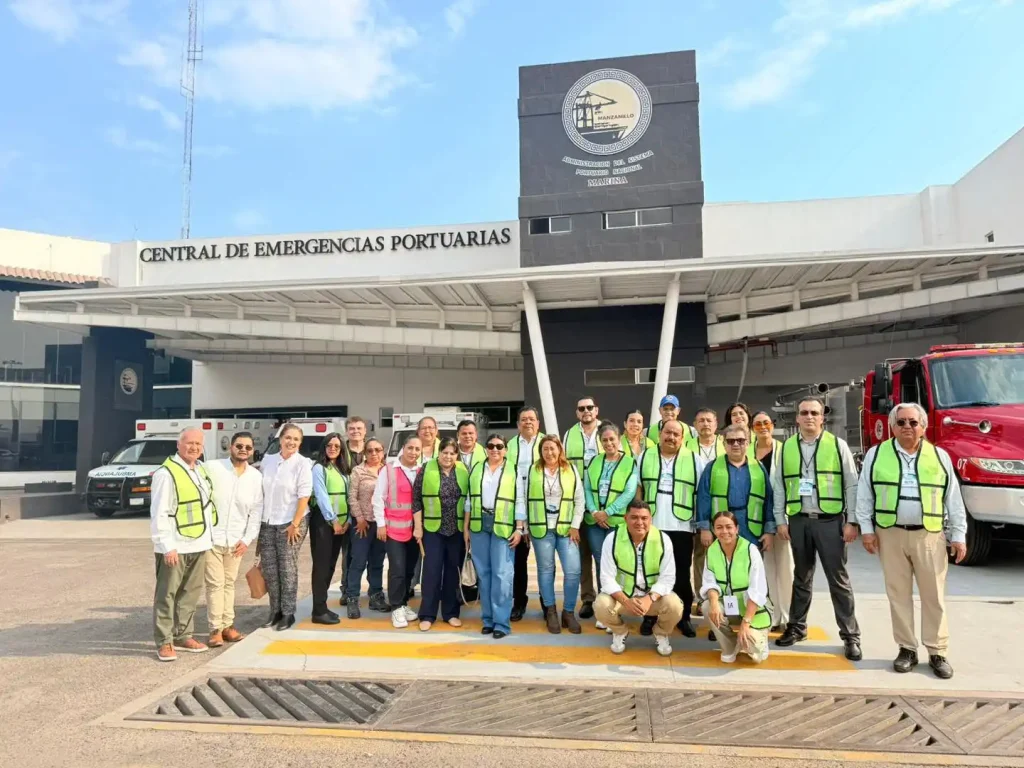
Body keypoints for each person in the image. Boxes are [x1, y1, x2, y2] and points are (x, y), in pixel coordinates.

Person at [855, 403, 967, 679]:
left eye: (913, 423)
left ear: (923, 426)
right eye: (901, 422)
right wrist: (866, 529)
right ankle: (906, 649)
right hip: (890, 534)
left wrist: (958, 535)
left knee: (934, 596)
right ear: (892, 426)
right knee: (898, 594)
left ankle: (937, 651)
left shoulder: (939, 456)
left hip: (929, 535)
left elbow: (953, 498)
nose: (907, 427)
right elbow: (865, 493)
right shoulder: (876, 454)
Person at [773, 396, 863, 660]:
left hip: (830, 521)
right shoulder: (787, 447)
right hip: (799, 521)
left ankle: (850, 636)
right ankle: (797, 627)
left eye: (814, 412)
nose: (809, 417)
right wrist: (780, 519)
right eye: (804, 412)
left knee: (838, 581)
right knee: (801, 577)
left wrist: (852, 520)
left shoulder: (838, 446)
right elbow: (778, 485)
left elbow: (851, 484)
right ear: (797, 417)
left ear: (823, 417)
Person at [150, 427, 217, 661]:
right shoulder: (166, 474)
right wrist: (166, 545)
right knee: (167, 594)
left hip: (199, 543)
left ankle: (183, 635)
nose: (194, 448)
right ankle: (164, 641)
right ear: (178, 445)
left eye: (198, 444)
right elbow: (159, 512)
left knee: (190, 593)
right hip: (175, 546)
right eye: (189, 443)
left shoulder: (200, 470)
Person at [595, 500, 683, 656]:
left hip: (651, 599)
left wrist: (649, 599)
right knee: (600, 605)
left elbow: (668, 578)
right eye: (634, 517)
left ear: (650, 520)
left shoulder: (663, 540)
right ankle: (620, 631)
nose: (639, 522)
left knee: (675, 605)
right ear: (625, 518)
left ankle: (661, 633)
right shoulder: (612, 539)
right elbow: (606, 578)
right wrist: (626, 601)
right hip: (624, 598)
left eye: (644, 518)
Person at [638, 419, 700, 638]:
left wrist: (700, 525)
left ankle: (683, 618)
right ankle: (650, 615)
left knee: (682, 574)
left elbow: (701, 494)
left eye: (676, 434)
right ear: (659, 434)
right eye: (667, 432)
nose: (671, 437)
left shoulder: (694, 459)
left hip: (682, 526)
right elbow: (638, 490)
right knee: (651, 572)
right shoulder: (644, 456)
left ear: (682, 438)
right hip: (652, 526)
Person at [519, 435, 584, 634]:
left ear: (560, 449)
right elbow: (525, 498)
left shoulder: (571, 469)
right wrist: (526, 528)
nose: (549, 453)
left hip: (566, 529)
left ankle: (569, 612)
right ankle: (551, 611)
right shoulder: (532, 470)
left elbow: (579, 499)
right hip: (541, 529)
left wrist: (575, 525)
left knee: (573, 571)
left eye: (553, 448)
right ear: (541, 451)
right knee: (546, 571)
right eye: (545, 449)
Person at [204, 431, 263, 647]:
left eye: (248, 447)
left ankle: (228, 626)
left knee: (228, 584)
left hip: (236, 542)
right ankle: (215, 629)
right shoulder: (212, 468)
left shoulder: (255, 477)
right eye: (239, 446)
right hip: (211, 539)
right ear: (231, 447)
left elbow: (256, 511)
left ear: (252, 451)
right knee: (215, 584)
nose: (243, 450)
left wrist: (247, 540)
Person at [258, 422, 313, 632]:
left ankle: (288, 613)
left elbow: (304, 495)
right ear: (280, 438)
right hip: (267, 521)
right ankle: (275, 611)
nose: (291, 442)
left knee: (287, 567)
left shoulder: (302, 464)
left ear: (300, 443)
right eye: (288, 437)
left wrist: (295, 524)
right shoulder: (268, 460)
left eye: (296, 439)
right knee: (271, 569)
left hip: (292, 522)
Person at [584, 422, 639, 629]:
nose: (608, 443)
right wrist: (594, 512)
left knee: (618, 565)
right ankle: (604, 609)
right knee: (601, 565)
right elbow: (587, 489)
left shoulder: (629, 463)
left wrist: (608, 512)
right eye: (605, 440)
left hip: (616, 524)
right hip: (594, 523)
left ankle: (617, 607)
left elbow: (629, 492)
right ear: (600, 442)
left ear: (619, 439)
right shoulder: (595, 462)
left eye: (612, 439)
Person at [466, 433, 520, 639]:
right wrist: (466, 528)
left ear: (505, 449)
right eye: (491, 446)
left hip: (503, 526)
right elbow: (470, 500)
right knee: (484, 574)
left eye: (499, 446)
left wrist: (520, 528)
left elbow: (520, 499)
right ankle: (487, 619)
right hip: (480, 525)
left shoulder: (513, 469)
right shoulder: (478, 468)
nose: (495, 450)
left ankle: (501, 623)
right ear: (486, 448)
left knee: (502, 575)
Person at [701, 510, 772, 664]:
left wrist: (746, 623)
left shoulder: (750, 550)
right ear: (713, 530)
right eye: (719, 527)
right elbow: (709, 582)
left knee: (753, 651)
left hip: (753, 611)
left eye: (729, 527)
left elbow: (758, 590)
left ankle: (757, 640)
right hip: (730, 606)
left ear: (737, 529)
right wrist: (714, 603)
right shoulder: (712, 551)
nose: (724, 531)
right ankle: (730, 645)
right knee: (707, 606)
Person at [697, 423, 776, 556]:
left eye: (740, 440)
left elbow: (768, 500)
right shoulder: (712, 467)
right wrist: (704, 529)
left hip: (751, 529)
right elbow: (703, 498)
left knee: (751, 569)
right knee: (722, 570)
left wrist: (769, 531)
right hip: (721, 529)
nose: (735, 444)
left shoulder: (759, 467)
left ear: (747, 443)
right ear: (724, 444)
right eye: (730, 441)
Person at [414, 437, 467, 631]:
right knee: (431, 572)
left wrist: (467, 529)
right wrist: (417, 527)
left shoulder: (463, 470)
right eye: (445, 452)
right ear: (439, 452)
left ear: (457, 455)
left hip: (456, 530)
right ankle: (427, 614)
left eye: (452, 453)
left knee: (453, 572)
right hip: (432, 529)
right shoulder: (426, 469)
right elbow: (416, 499)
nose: (448, 456)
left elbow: (468, 501)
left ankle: (451, 613)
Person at [374, 434, 422, 628]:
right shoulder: (388, 470)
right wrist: (380, 524)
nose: (413, 452)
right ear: (403, 448)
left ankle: (402, 604)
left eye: (417, 449)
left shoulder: (421, 470)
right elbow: (378, 498)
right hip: (393, 529)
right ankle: (395, 607)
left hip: (415, 531)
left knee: (409, 570)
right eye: (410, 448)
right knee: (397, 570)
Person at [751, 411, 792, 630]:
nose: (763, 427)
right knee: (765, 570)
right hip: (755, 517)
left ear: (773, 425)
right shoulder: (747, 451)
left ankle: (786, 615)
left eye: (766, 423)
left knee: (785, 568)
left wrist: (783, 517)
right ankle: (771, 614)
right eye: (757, 424)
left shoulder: (784, 450)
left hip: (779, 517)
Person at [562, 397, 601, 621]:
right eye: (581, 408)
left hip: (601, 505)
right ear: (577, 413)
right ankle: (588, 598)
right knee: (582, 554)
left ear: (596, 410)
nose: (586, 411)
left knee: (602, 555)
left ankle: (608, 598)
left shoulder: (606, 431)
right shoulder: (569, 435)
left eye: (589, 407)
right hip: (577, 504)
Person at [505, 405, 544, 621]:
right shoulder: (509, 446)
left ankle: (547, 604)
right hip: (517, 514)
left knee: (545, 564)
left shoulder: (548, 443)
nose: (528, 422)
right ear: (518, 424)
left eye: (531, 419)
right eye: (523, 419)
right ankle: (519, 602)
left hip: (544, 514)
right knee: (518, 563)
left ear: (538, 423)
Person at [309, 432, 352, 625]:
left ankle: (323, 606)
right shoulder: (319, 468)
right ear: (323, 447)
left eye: (336, 445)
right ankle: (318, 611)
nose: (333, 448)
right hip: (324, 524)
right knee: (321, 567)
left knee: (330, 566)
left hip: (341, 525)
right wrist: (333, 520)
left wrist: (348, 520)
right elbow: (322, 495)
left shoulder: (342, 469)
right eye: (329, 445)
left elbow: (348, 496)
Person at [344, 437, 389, 618]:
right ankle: (352, 598)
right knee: (358, 561)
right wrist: (360, 518)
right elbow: (352, 497)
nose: (373, 454)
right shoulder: (358, 471)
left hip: (381, 525)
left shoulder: (387, 471)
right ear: (364, 453)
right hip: (362, 525)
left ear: (383, 451)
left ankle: (376, 596)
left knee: (377, 562)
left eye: (377, 450)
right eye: (369, 450)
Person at [691, 407, 724, 612]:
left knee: (722, 555)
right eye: (701, 420)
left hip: (722, 512)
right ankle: (701, 597)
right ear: (695, 425)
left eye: (709, 420)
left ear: (716, 423)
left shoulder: (726, 445)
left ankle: (722, 598)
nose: (705, 424)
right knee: (700, 555)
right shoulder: (686, 447)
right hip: (695, 510)